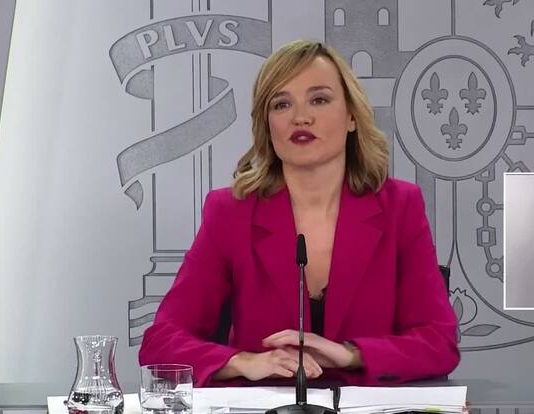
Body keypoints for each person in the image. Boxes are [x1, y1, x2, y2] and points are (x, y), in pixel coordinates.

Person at [139, 40, 459, 386]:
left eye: (319, 99)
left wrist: (351, 354)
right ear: (267, 125)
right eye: (281, 104)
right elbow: (161, 342)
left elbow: (439, 342)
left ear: (352, 116)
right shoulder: (231, 212)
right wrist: (244, 362)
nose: (300, 117)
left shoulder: (399, 206)